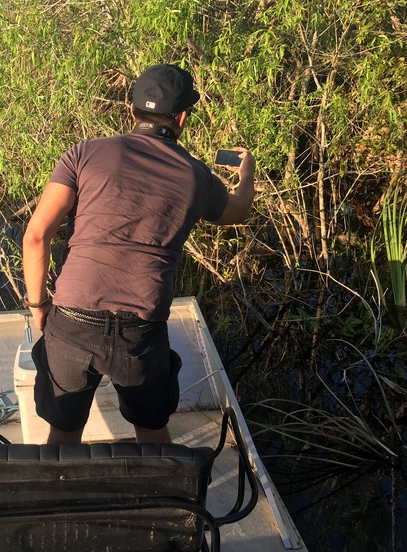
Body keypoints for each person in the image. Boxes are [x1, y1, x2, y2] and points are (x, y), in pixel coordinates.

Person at [22, 64, 255, 445]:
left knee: (62, 436)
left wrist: (38, 305)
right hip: (141, 329)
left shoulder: (83, 153)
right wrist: (247, 173)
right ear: (182, 118)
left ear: (131, 110)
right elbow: (238, 210)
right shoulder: (196, 175)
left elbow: (36, 236)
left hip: (74, 317)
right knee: (151, 432)